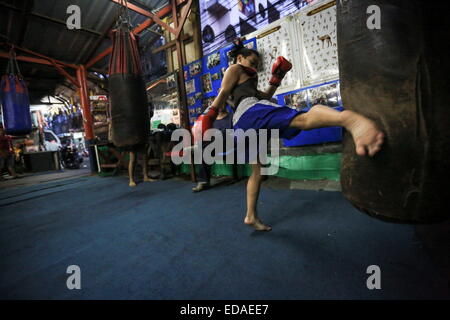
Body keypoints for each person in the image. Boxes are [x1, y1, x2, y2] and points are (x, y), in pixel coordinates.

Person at [193, 39, 384, 231]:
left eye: (257, 66)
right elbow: (223, 93)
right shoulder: (234, 69)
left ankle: (251, 215)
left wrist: (276, 79)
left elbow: (265, 97)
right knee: (303, 119)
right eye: (252, 63)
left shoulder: (246, 79)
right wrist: (208, 115)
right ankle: (350, 120)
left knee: (257, 172)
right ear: (239, 57)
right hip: (251, 113)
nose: (255, 68)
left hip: (242, 124)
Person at [192, 105, 239, 192]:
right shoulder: (211, 120)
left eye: (222, 103)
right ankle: (203, 182)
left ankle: (203, 181)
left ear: (225, 104)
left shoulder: (232, 117)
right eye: (218, 105)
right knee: (204, 149)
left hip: (229, 144)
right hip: (215, 145)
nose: (220, 106)